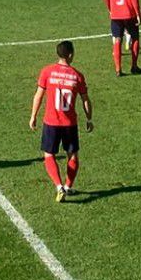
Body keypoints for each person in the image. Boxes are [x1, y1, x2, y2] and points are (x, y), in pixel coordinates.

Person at [30, 40, 93, 202]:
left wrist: (33, 116)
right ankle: (68, 186)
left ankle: (58, 186)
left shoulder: (47, 72)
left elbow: (38, 95)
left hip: (51, 121)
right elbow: (85, 100)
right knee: (72, 155)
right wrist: (89, 118)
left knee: (49, 154)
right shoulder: (77, 76)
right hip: (69, 123)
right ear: (70, 54)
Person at [104, 0, 141, 76]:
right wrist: (138, 14)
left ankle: (118, 69)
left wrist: (110, 9)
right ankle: (134, 66)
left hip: (115, 15)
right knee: (135, 37)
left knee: (117, 39)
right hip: (129, 14)